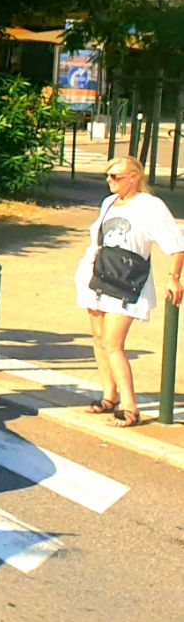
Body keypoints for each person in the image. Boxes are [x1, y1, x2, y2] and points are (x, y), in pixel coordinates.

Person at [73, 156, 184, 428]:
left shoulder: (150, 206)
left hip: (127, 280)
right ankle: (108, 396)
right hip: (100, 273)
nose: (109, 181)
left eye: (116, 176)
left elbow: (175, 243)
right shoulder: (109, 202)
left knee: (113, 344)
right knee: (99, 339)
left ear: (134, 177)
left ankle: (130, 406)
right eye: (108, 176)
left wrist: (174, 277)